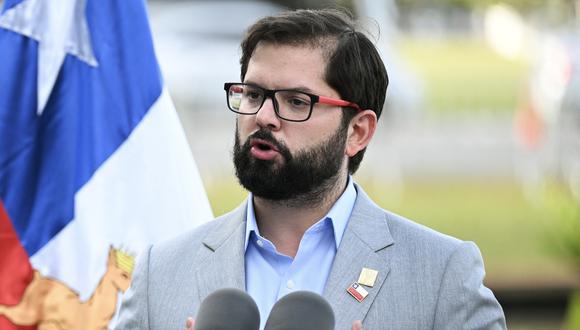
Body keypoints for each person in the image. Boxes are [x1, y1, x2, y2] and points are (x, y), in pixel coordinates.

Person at [116, 8, 506, 330]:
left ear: (357, 131)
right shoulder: (160, 274)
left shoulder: (442, 275)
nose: (264, 116)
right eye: (253, 95)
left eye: (296, 101)